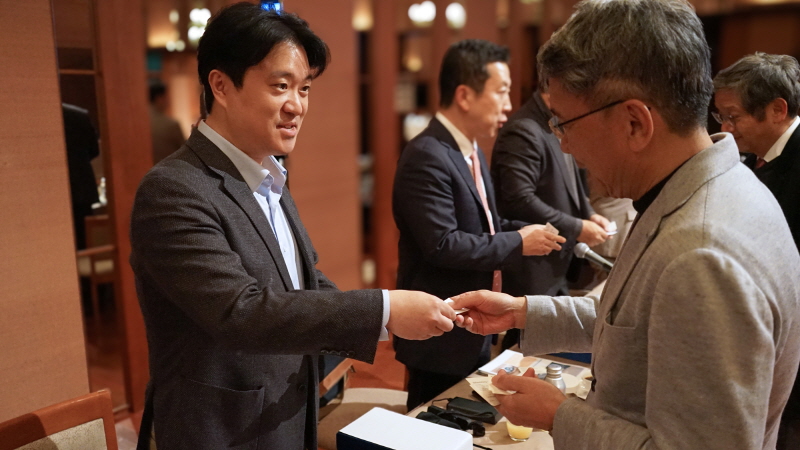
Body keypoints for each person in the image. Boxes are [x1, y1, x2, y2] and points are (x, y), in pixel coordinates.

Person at [450, 0, 800, 449]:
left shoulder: (701, 254)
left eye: (565, 124)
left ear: (634, 122)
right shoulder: (717, 186)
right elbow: (640, 323)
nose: (565, 145)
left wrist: (559, 415)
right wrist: (523, 311)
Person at [130, 5, 456, 450]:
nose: (297, 105)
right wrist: (384, 309)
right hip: (223, 430)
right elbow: (240, 313)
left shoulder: (269, 173)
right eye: (280, 86)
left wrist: (391, 316)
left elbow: (304, 281)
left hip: (284, 414)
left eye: (304, 89)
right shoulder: (173, 189)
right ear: (220, 86)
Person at [392, 39, 565, 410]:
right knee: (432, 422)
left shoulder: (468, 150)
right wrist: (518, 242)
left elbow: (486, 224)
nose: (508, 105)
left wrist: (528, 231)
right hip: (440, 332)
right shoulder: (426, 154)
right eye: (501, 92)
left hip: (472, 325)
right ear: (465, 96)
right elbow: (443, 244)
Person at [713, 52, 800, 450]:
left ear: (777, 110)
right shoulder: (754, 157)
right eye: (721, 117)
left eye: (734, 117)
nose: (725, 129)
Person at [490, 89, 610, 349]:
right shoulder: (523, 129)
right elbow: (519, 199)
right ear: (553, 86)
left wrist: (589, 214)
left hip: (556, 261)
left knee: (551, 342)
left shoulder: (560, 120)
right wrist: (577, 227)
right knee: (520, 346)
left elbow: (572, 181)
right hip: (532, 263)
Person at [61, 103, 100, 250]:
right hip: (81, 185)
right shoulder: (79, 114)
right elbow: (94, 150)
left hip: (51, 190)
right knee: (84, 242)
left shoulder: (38, 115)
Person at [148, 78, 186, 164]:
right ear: (160, 98)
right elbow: (185, 153)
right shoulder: (171, 125)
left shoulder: (139, 123)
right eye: (167, 97)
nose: (168, 101)